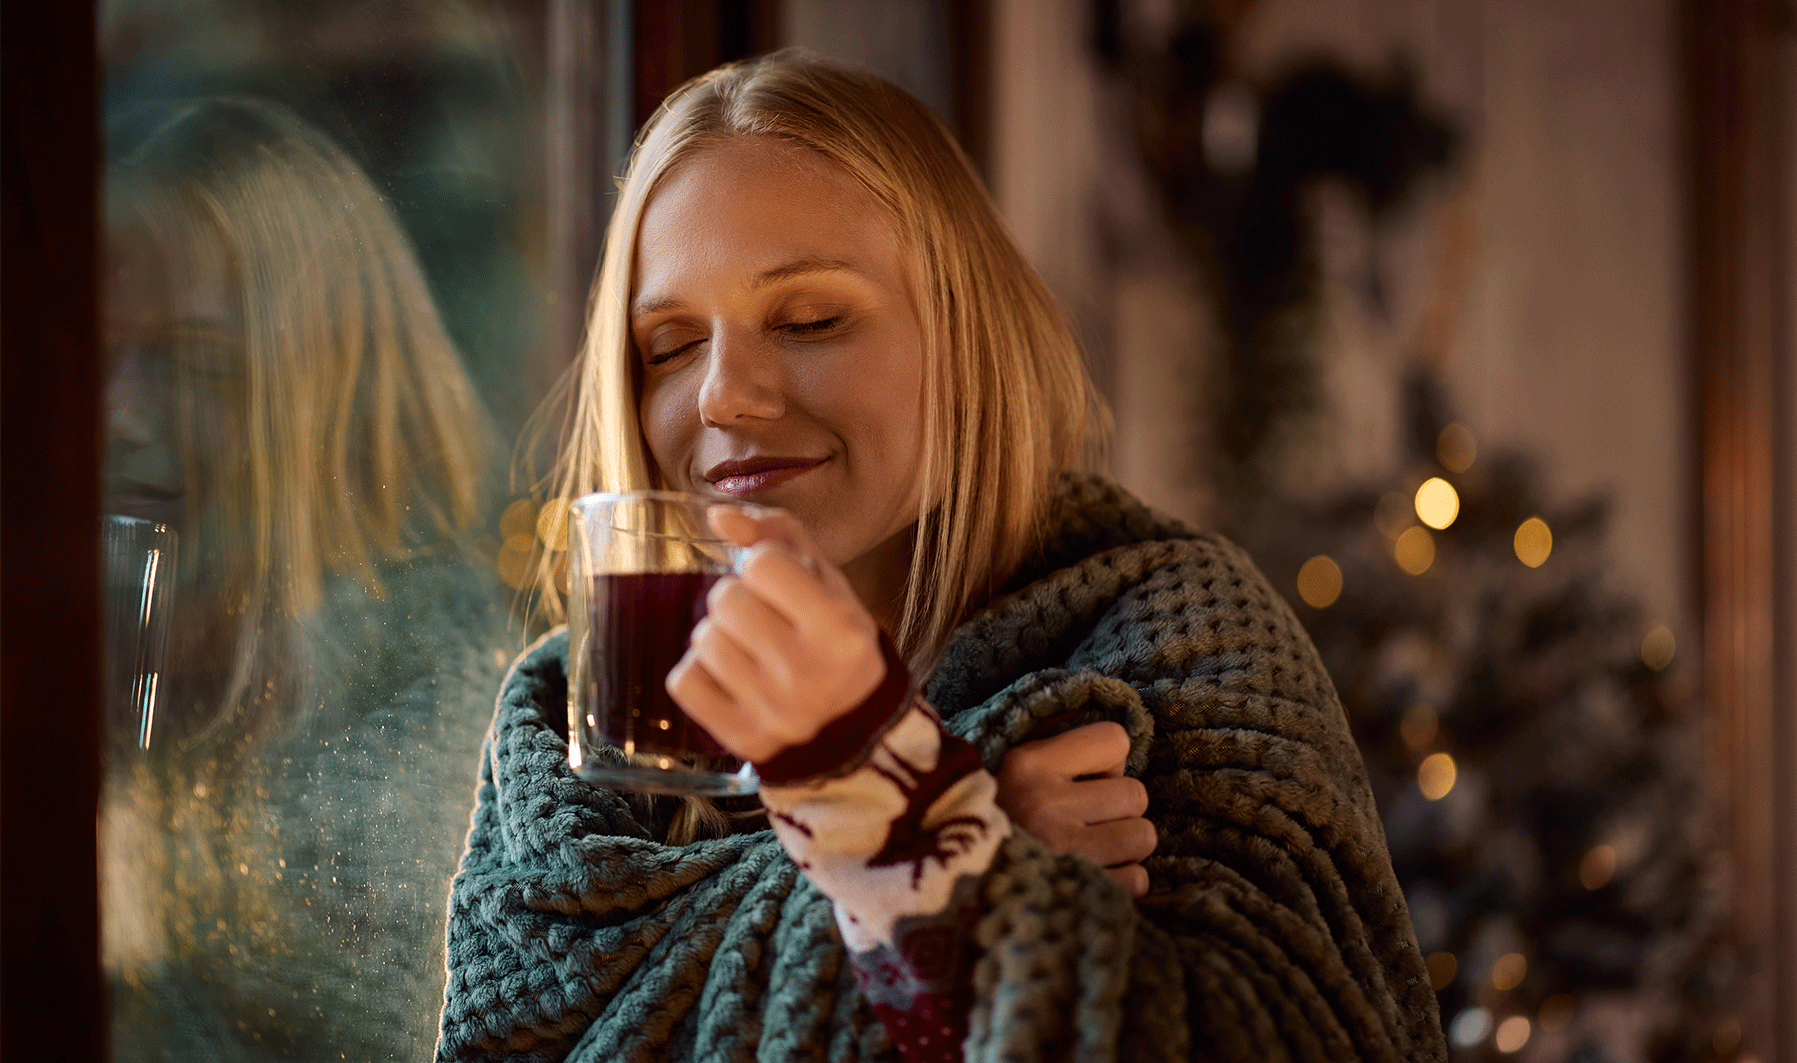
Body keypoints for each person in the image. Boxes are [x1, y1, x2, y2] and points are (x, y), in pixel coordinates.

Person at [439, 51, 1444, 1063]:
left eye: (809, 319)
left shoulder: (1179, 633)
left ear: (967, 334)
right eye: (668, 345)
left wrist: (904, 845)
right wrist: (937, 853)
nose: (722, 397)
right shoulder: (566, 717)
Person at [98, 96, 513, 1061]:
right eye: (104, 354)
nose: (119, 413)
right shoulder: (176, 635)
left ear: (320, 386)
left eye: (194, 365)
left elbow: (403, 1025)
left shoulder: (442, 709)